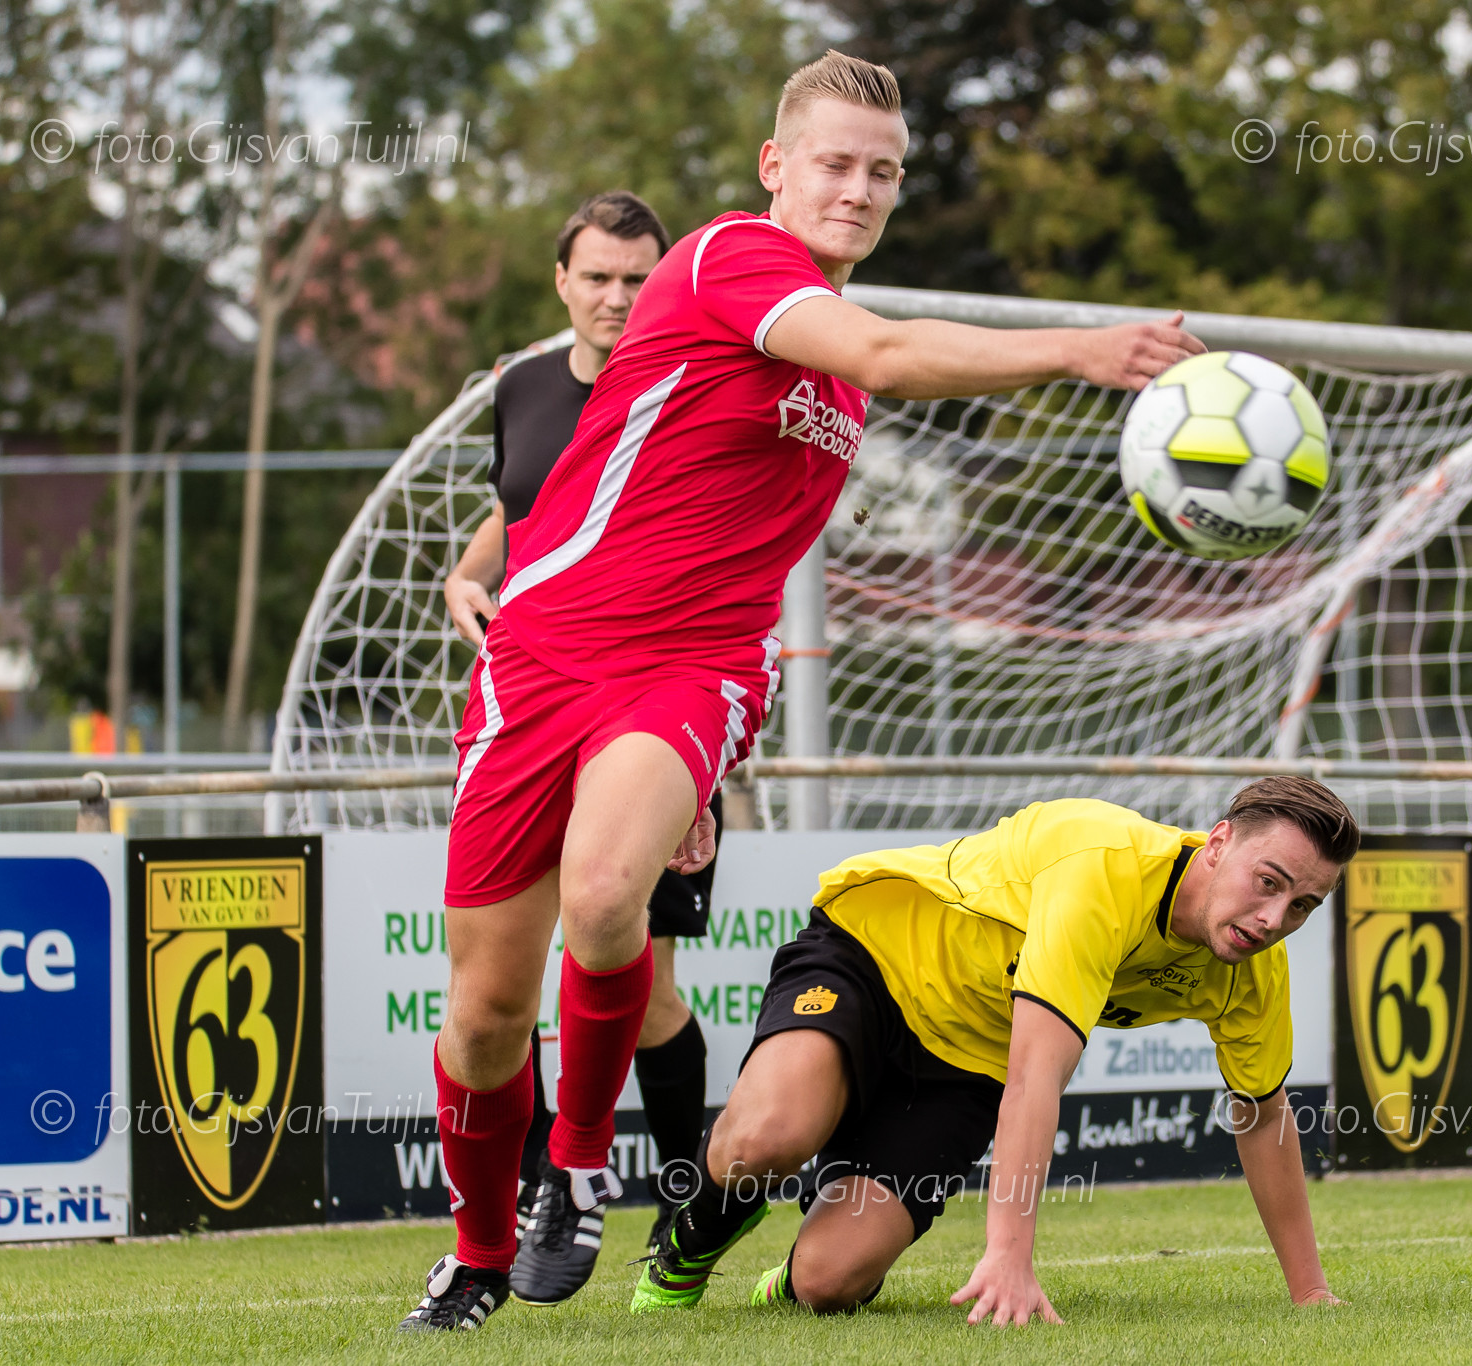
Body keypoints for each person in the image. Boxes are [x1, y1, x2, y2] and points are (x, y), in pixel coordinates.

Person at [400, 48, 1205, 1333]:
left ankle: (576, 1166)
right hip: (545, 650)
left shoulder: (832, 376)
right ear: (776, 166)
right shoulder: (728, 256)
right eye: (834, 163)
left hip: (691, 667)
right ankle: (476, 1255)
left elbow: (807, 461)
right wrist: (1081, 346)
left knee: (605, 896)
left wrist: (703, 766)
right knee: (486, 1011)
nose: (859, 189)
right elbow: (885, 348)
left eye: (884, 171)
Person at [634, 779, 1359, 1325]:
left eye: (1302, 905)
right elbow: (1037, 1076)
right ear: (1219, 841)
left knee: (830, 1283)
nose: (1274, 918)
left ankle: (792, 1275)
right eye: (1268, 882)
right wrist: (1009, 1259)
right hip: (873, 958)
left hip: (967, 1065)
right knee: (768, 1139)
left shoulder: (1251, 971)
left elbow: (1264, 1117)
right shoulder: (1105, 867)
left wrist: (1311, 1293)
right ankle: (685, 1250)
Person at [440, 191, 714, 1255]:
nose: (616, 296)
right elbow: (522, 504)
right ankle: (544, 1202)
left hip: (653, 712)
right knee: (499, 990)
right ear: (561, 281)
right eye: (597, 276)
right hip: (537, 703)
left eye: (638, 278)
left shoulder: (691, 382)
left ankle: (685, 1202)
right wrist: (468, 575)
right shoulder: (519, 385)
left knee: (644, 986)